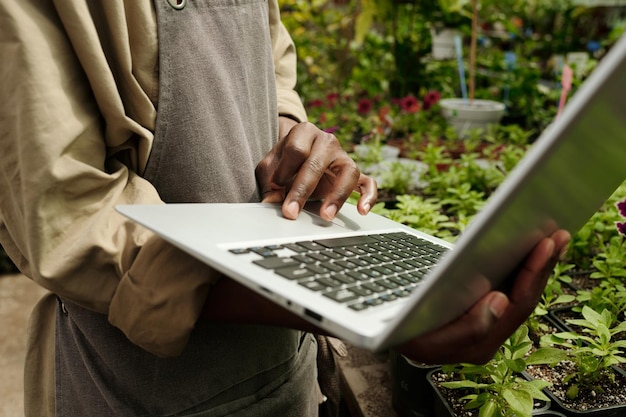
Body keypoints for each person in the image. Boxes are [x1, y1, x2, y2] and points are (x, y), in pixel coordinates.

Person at [0, 1, 570, 416]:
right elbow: (67, 220)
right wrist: (360, 307)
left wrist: (291, 136)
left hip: (285, 373)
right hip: (140, 391)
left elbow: (267, 62)